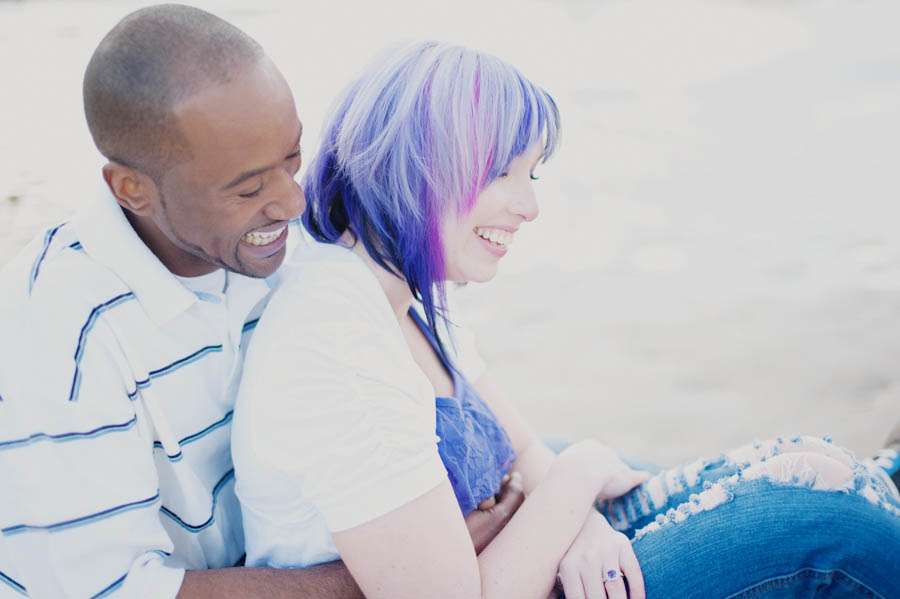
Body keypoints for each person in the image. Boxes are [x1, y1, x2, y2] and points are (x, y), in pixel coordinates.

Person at [231, 41, 900, 599]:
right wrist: (582, 471)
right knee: (830, 529)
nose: (529, 206)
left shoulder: (399, 286)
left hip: (525, 556)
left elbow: (523, 450)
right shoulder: (338, 345)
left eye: (533, 175)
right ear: (415, 166)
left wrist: (584, 524)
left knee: (812, 462)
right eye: (502, 173)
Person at [0, 7, 518, 598]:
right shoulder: (57, 342)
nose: (293, 204)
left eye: (292, 159)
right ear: (132, 189)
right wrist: (410, 564)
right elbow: (111, 593)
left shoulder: (277, 245)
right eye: (248, 189)